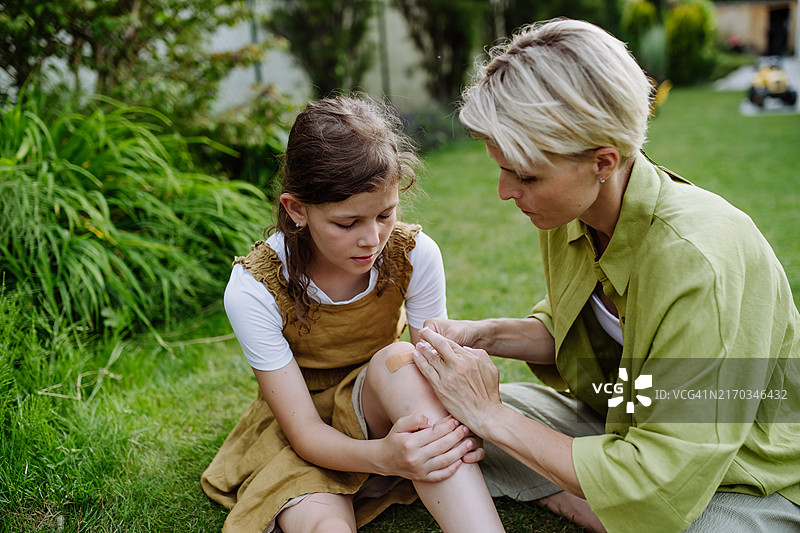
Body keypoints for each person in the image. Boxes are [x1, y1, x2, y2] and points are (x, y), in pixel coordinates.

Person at [410, 19, 800, 533]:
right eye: (502, 169)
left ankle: (585, 494)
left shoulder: (697, 260)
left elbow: (661, 482)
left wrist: (493, 418)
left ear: (603, 162)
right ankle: (588, 491)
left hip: (740, 469)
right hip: (622, 414)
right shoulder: (570, 211)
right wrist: (485, 335)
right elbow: (578, 328)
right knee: (430, 410)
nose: (505, 191)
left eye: (526, 176)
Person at [201, 96, 505, 533]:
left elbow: (431, 374)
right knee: (323, 524)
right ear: (297, 210)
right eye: (347, 224)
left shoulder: (414, 254)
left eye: (385, 214)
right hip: (302, 433)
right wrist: (386, 458)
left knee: (403, 362)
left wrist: (455, 429)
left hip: (383, 403)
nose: (372, 239)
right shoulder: (255, 287)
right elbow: (305, 432)